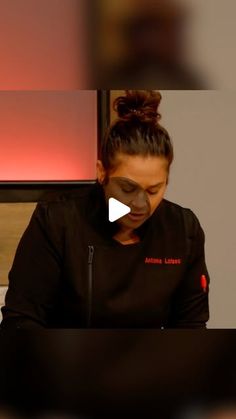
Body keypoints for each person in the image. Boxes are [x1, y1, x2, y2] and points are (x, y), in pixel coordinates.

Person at [1, 90, 210, 329]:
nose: (141, 204)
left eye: (153, 190)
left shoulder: (182, 230)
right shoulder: (58, 222)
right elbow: (21, 321)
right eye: (127, 188)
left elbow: (191, 326)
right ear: (102, 172)